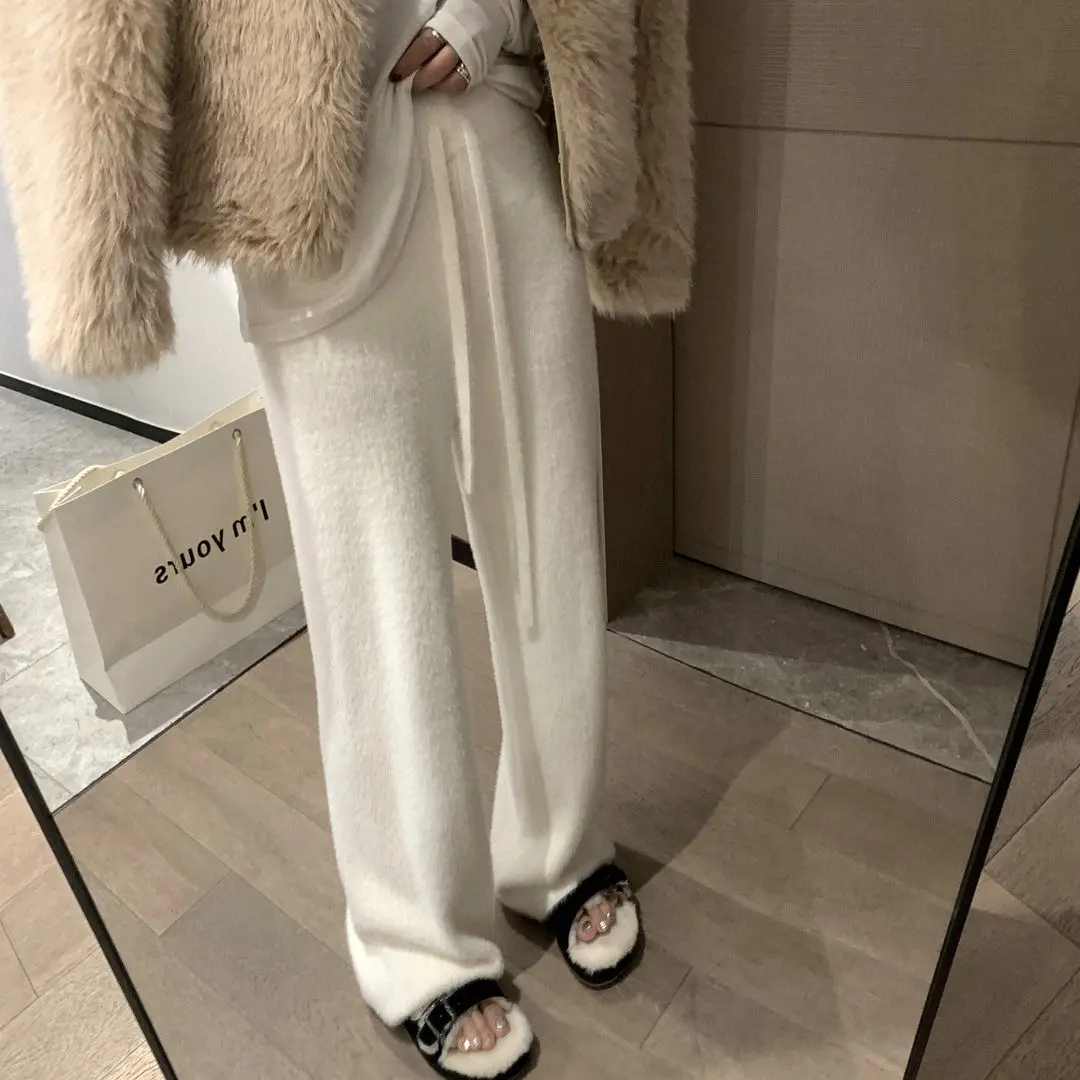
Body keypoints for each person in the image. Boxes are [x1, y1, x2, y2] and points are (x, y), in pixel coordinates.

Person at [0, 1, 694, 1076]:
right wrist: (93, 231)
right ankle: (416, 941)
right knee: (377, 596)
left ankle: (557, 851)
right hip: (312, 166)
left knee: (554, 533)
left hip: (511, 123)